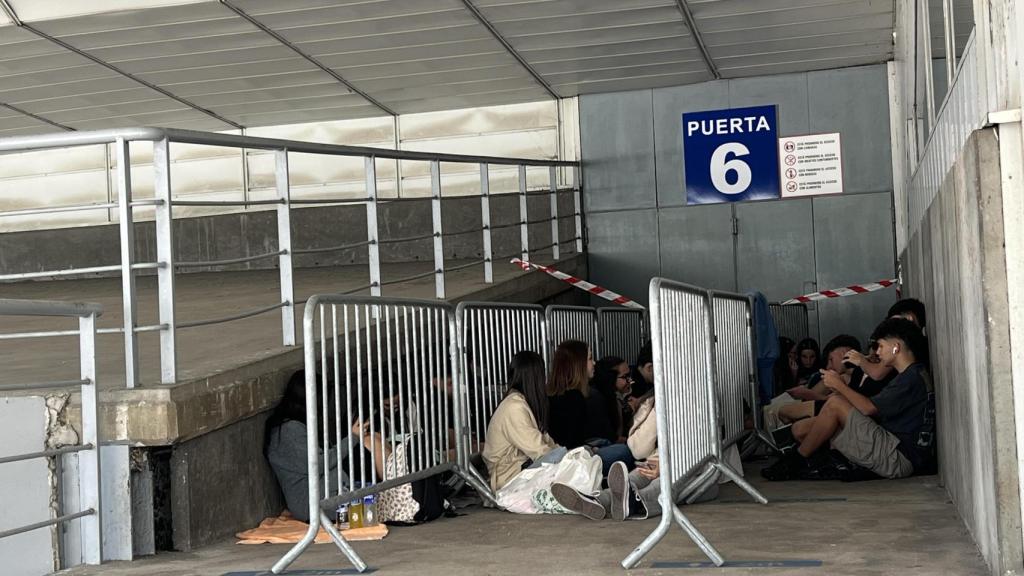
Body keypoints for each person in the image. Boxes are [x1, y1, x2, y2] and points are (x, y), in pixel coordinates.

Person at [762, 318, 935, 481]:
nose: (877, 352)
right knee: (812, 425)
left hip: (898, 457)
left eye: (881, 346)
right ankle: (805, 460)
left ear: (896, 348)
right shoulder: (914, 374)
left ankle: (795, 461)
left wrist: (839, 385)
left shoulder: (909, 379)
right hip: (897, 449)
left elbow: (869, 408)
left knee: (836, 404)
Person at [265, 370, 343, 523]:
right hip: (310, 504)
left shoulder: (296, 427)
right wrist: (352, 439)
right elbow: (317, 466)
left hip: (323, 496)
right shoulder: (290, 431)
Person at [548, 340, 635, 474]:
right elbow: (573, 445)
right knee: (624, 451)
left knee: (605, 443)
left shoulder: (555, 394)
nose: (594, 363)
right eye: (590, 358)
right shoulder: (575, 398)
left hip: (575, 453)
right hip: (573, 462)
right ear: (577, 365)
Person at [482, 351, 562, 492]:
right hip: (508, 478)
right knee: (573, 459)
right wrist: (569, 458)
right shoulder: (514, 407)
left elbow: (546, 441)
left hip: (519, 469)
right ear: (536, 377)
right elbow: (539, 450)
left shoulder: (521, 403)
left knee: (579, 455)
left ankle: (601, 496)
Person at [587, 356, 632, 444]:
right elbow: (612, 438)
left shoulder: (615, 397)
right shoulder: (597, 399)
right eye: (625, 377)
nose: (629, 380)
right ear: (610, 378)